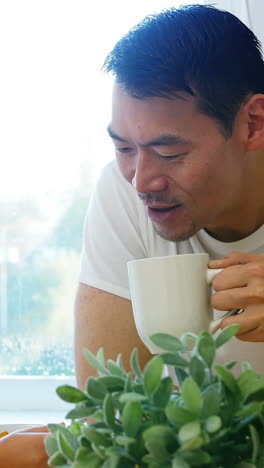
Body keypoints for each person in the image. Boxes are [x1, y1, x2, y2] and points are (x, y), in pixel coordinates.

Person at [74, 4, 264, 390]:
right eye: (123, 148)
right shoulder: (121, 192)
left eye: (169, 153)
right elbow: (108, 414)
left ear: (253, 124)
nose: (141, 181)